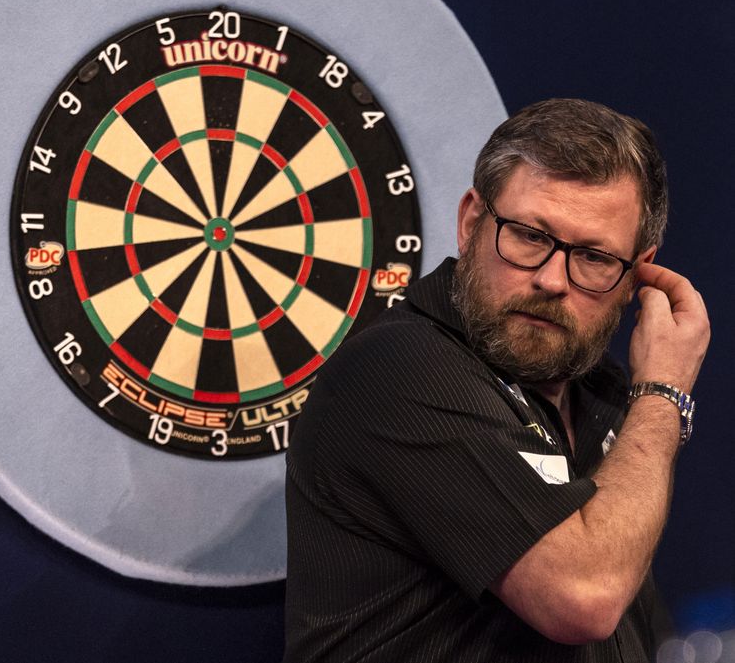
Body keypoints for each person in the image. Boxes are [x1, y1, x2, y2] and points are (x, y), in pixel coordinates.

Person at [283, 98, 710, 662]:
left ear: (636, 274)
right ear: (470, 221)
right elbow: (583, 597)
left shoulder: (603, 394)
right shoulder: (399, 372)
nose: (553, 280)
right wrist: (662, 393)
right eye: (531, 236)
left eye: (593, 257)